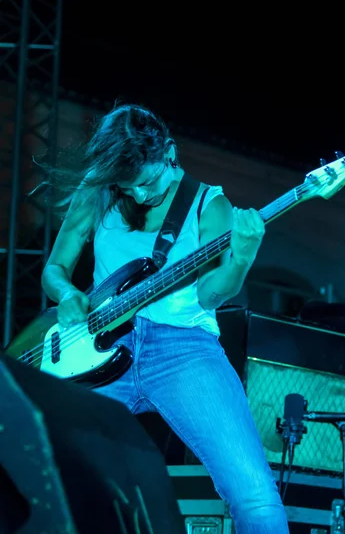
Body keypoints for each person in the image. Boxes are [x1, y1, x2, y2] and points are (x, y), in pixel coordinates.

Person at [41, 104, 289, 534]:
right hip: (97, 346)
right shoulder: (99, 188)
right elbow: (55, 269)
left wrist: (242, 259)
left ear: (169, 152)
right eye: (127, 186)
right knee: (44, 470)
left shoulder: (210, 204)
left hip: (183, 349)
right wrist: (66, 295)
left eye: (147, 182)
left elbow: (212, 293)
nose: (137, 195)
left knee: (254, 495)